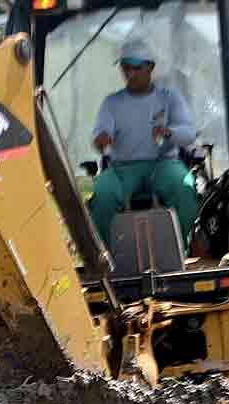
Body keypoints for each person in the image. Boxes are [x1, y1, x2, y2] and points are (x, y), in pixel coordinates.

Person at [90, 39, 198, 249]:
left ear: (151, 67)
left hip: (163, 165)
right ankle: (108, 259)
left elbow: (188, 134)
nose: (130, 74)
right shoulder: (112, 103)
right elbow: (99, 139)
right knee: (102, 193)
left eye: (136, 68)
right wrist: (101, 140)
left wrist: (169, 132)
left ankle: (180, 249)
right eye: (125, 68)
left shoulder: (169, 98)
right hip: (123, 170)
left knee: (184, 186)